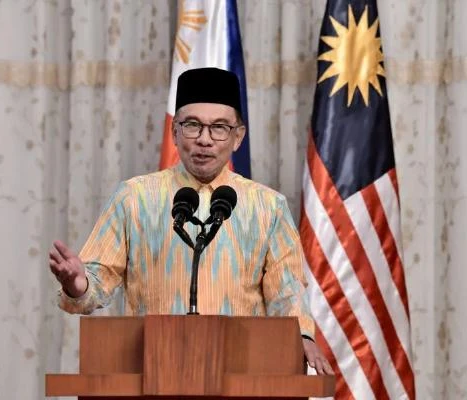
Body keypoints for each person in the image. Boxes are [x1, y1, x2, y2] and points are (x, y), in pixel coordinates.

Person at [49, 67, 333, 375]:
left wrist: (303, 335)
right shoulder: (134, 198)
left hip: (242, 376)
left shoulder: (268, 207)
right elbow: (94, 284)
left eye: (219, 127)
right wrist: (76, 284)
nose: (204, 140)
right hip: (153, 374)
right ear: (174, 132)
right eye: (192, 125)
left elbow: (287, 290)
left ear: (238, 137)